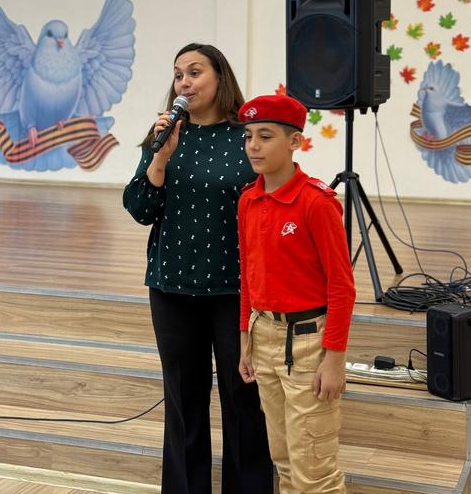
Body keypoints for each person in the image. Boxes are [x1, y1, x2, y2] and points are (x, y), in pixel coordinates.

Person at [123, 44, 273, 494]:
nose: (184, 83)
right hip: (172, 287)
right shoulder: (165, 136)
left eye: (194, 72)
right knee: (183, 405)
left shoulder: (246, 137)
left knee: (243, 402)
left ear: (219, 77)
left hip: (235, 291)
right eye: (178, 75)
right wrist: (160, 157)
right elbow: (140, 208)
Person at [237, 94, 356, 494]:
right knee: (284, 461)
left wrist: (334, 359)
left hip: (307, 345)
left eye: (265, 136)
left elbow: (342, 286)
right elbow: (248, 277)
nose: (253, 146)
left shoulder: (316, 203)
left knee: (314, 472)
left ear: (294, 142)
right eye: (248, 136)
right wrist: (246, 339)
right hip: (263, 336)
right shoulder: (248, 200)